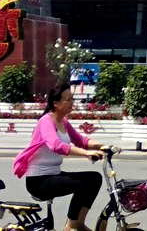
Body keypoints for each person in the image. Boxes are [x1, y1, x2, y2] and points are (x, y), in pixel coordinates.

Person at [13, 83, 109, 231]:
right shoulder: (46, 121)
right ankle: (71, 226)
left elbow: (81, 140)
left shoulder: (63, 121)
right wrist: (86, 153)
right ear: (56, 103)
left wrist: (104, 147)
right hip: (39, 181)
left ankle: (78, 222)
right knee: (82, 184)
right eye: (68, 99)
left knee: (94, 178)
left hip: (53, 175)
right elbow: (55, 145)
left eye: (72, 98)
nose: (72, 102)